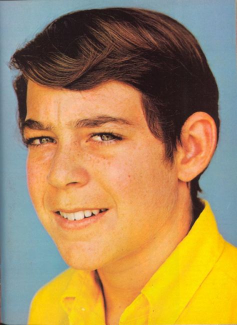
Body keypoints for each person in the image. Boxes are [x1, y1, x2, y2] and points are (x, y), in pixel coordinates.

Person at [10, 7, 237, 325]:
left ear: (191, 149)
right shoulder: (49, 308)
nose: (59, 175)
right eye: (41, 140)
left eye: (103, 135)